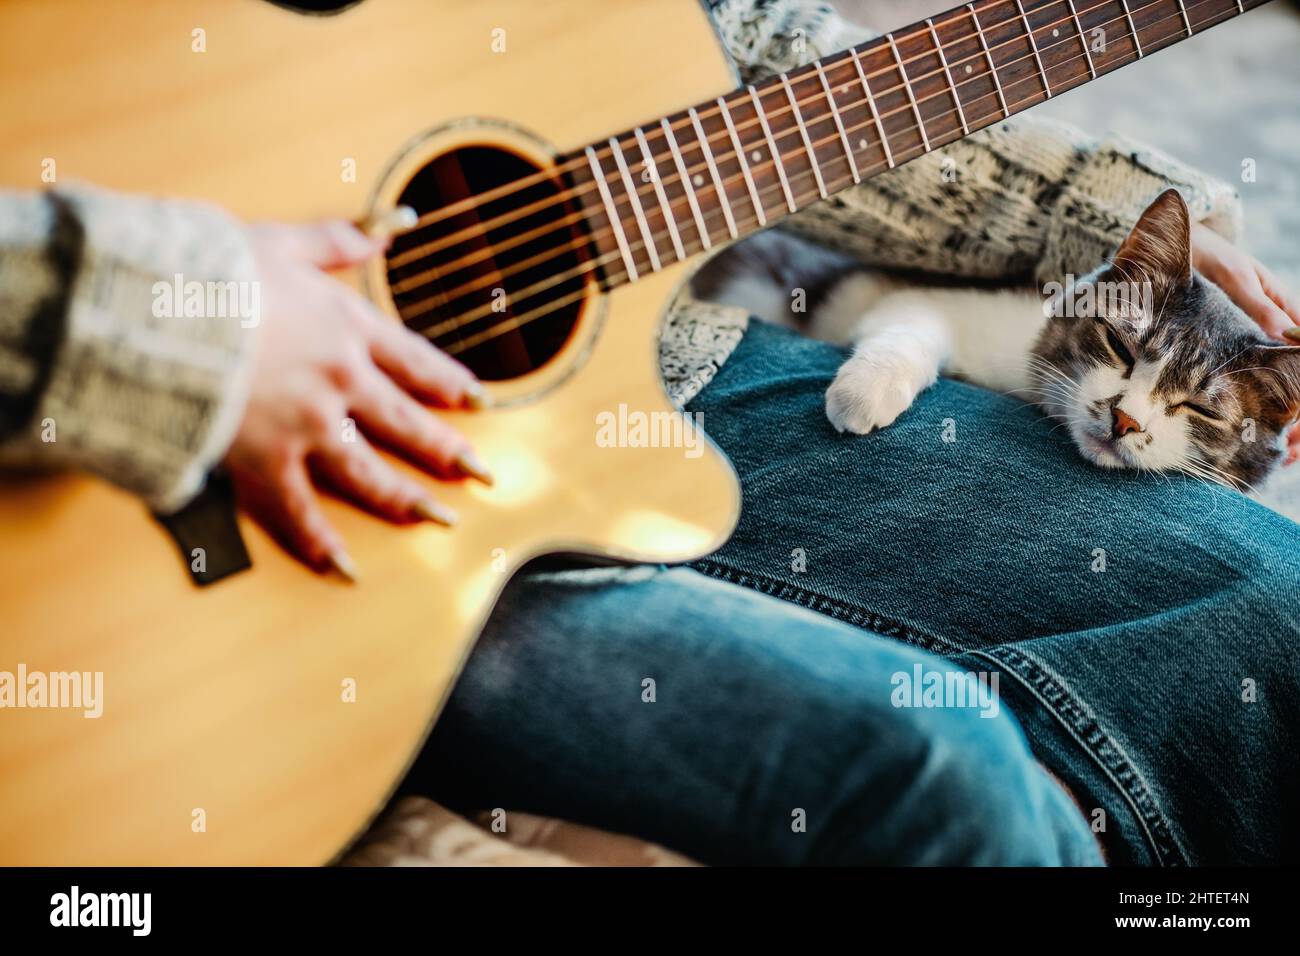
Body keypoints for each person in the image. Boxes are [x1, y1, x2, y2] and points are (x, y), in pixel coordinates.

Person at [4, 0, 1298, 865]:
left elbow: (733, 61)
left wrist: (1118, 216)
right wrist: (179, 321)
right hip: (236, 514)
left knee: (1269, 598)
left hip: (652, 380)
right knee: (940, 774)